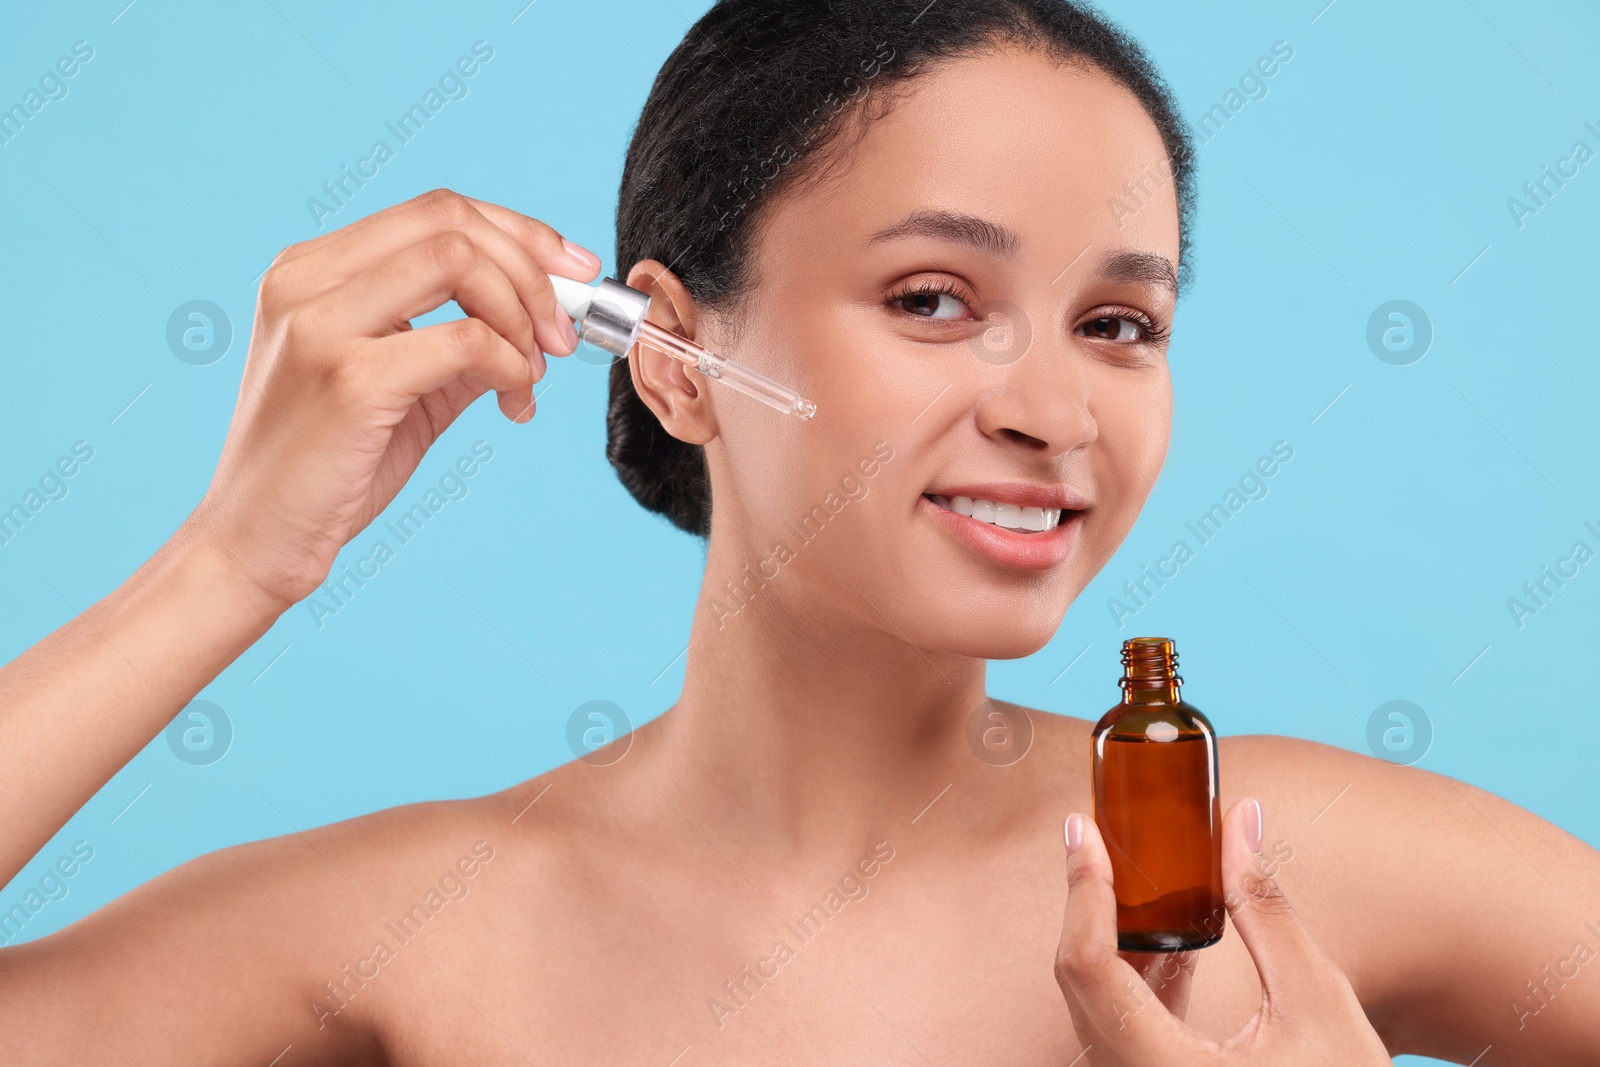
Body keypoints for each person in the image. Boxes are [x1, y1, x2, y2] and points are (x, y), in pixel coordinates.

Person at [2, 1, 1597, 1063]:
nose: (1056, 408)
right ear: (679, 361)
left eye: (1119, 324)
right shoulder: (421, 931)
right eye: (931, 299)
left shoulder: (1262, 876)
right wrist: (224, 569)